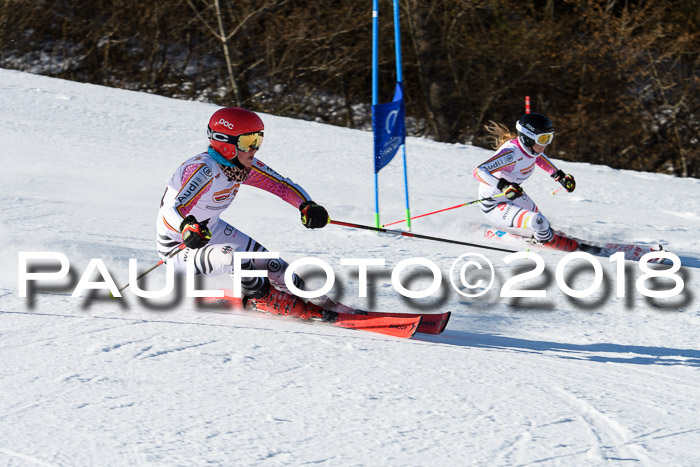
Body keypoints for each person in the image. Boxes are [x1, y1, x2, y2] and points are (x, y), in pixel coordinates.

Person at [156, 106, 331, 314]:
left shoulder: (241, 166)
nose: (254, 149)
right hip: (179, 246)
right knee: (236, 256)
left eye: (258, 140)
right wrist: (186, 227)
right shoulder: (204, 170)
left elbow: (281, 186)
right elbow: (172, 210)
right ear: (226, 143)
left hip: (211, 231)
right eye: (248, 142)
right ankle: (263, 298)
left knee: (275, 265)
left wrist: (307, 205)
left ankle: (319, 301)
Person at [473, 113, 576, 248]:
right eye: (543, 139)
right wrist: (504, 186)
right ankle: (544, 242)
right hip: (493, 203)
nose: (547, 144)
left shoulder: (530, 151)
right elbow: (479, 171)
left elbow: (539, 158)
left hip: (513, 195)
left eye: (549, 138)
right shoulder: (511, 154)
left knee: (542, 223)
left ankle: (546, 235)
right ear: (528, 138)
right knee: (539, 222)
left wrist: (559, 176)